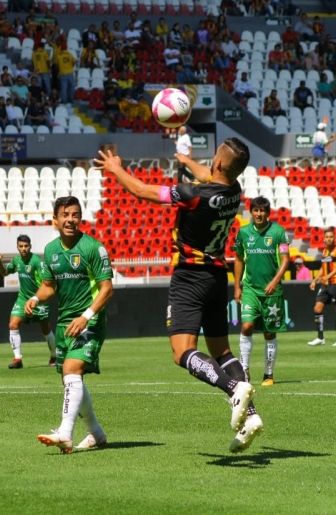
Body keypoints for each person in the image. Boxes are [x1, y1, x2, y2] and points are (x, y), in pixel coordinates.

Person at [94, 138, 262, 453]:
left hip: (189, 277)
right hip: (216, 276)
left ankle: (234, 390)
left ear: (220, 164)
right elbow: (208, 174)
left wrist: (116, 169)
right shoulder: (233, 191)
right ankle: (250, 416)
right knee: (223, 352)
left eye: (214, 158)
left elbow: (142, 191)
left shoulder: (193, 195)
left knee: (181, 352)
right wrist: (186, 160)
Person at [28, 196, 113, 454]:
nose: (70, 220)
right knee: (70, 378)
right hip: (65, 323)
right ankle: (96, 433)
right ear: (55, 220)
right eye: (65, 215)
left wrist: (86, 316)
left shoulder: (93, 248)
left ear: (80, 218)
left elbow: (107, 289)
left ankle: (65, 433)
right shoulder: (51, 250)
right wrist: (34, 297)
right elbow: (48, 287)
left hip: (90, 321)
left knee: (71, 369)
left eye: (75, 215)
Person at [234, 197, 290, 387]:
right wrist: (236, 286)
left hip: (271, 292)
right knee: (247, 326)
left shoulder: (278, 232)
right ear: (251, 212)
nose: (259, 214)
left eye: (262, 211)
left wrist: (275, 281)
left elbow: (285, 259)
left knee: (269, 333)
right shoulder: (243, 232)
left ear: (268, 212)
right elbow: (239, 259)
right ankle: (244, 370)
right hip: (250, 288)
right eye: (256, 210)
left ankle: (268, 374)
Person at [0, 236, 56, 369]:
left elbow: (46, 283)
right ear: (17, 247)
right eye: (21, 246)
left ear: (30, 246)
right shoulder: (16, 261)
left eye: (26, 246)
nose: (24, 249)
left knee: (46, 331)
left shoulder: (38, 262)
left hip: (38, 301)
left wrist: (38, 299)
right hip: (22, 299)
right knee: (13, 324)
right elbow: (4, 273)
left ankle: (54, 356)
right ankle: (17, 359)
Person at [307, 228, 336, 347]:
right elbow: (322, 268)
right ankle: (320, 337)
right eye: (327, 237)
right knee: (317, 309)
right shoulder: (324, 252)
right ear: (324, 239)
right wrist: (315, 279)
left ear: (334, 239)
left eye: (331, 237)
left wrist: (327, 277)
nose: (329, 239)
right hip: (325, 285)